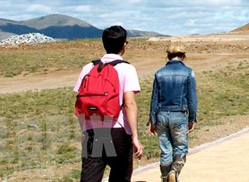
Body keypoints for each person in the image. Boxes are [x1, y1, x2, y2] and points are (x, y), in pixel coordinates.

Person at [74, 25, 143, 182]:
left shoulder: (88, 68)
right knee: (120, 174)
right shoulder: (127, 69)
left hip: (93, 130)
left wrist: (85, 130)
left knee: (90, 177)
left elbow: (81, 102)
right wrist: (135, 136)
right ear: (123, 45)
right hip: (117, 131)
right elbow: (129, 104)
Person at [149, 43, 198, 182]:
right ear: (183, 56)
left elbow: (154, 99)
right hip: (179, 114)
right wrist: (192, 118)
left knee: (165, 150)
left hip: (161, 115)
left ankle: (165, 178)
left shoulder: (159, 73)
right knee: (181, 147)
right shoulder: (188, 72)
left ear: (168, 56)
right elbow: (192, 99)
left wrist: (152, 120)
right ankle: (174, 171)